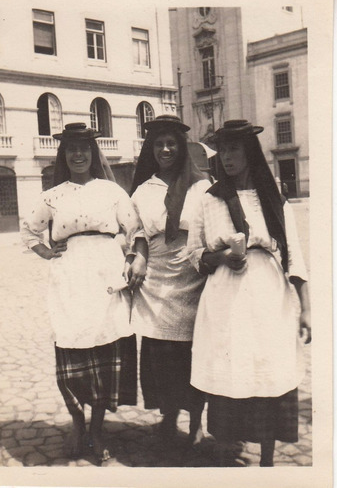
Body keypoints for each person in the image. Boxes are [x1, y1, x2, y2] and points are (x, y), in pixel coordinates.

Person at [187, 119, 311, 466]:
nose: (227, 157)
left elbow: (295, 258)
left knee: (268, 369)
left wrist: (307, 309)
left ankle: (268, 459)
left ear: (250, 152)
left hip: (269, 294)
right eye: (223, 149)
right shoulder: (209, 201)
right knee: (230, 371)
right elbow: (195, 255)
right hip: (226, 297)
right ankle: (228, 452)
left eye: (234, 149)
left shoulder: (274, 199)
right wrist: (223, 256)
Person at [20, 123, 145, 465]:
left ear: (93, 153)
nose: (78, 154)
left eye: (84, 148)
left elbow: (135, 229)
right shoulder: (52, 195)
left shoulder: (112, 191)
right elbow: (29, 229)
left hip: (105, 272)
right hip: (70, 275)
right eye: (71, 149)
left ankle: (98, 428)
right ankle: (78, 422)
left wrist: (134, 258)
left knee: (105, 350)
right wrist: (46, 252)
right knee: (70, 347)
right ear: (63, 154)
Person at [127, 114, 211, 447]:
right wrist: (141, 257)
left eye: (171, 143)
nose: (165, 149)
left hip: (192, 276)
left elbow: (210, 227)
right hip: (157, 281)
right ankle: (169, 416)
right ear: (151, 148)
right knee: (161, 357)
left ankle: (196, 423)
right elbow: (137, 234)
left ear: (182, 147)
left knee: (194, 353)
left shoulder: (201, 186)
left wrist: (201, 253)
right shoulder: (143, 190)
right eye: (159, 144)